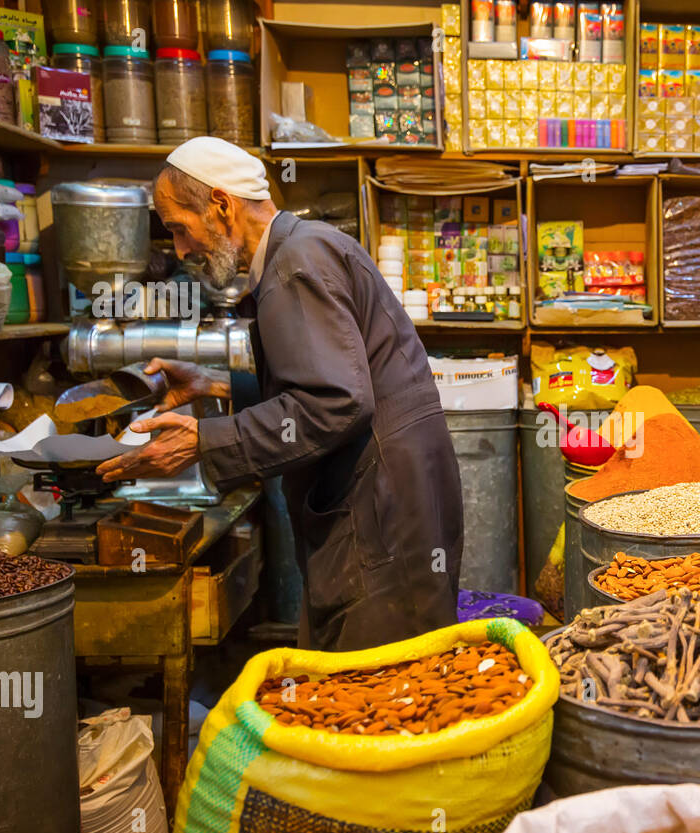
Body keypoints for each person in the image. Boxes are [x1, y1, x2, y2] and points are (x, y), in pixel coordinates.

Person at [98, 137, 464, 651]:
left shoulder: (296, 263)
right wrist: (218, 384)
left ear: (222, 206)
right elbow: (328, 379)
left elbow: (336, 402)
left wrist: (203, 441)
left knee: (380, 693)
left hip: (382, 515)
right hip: (393, 501)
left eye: (180, 228)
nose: (182, 250)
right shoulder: (299, 251)